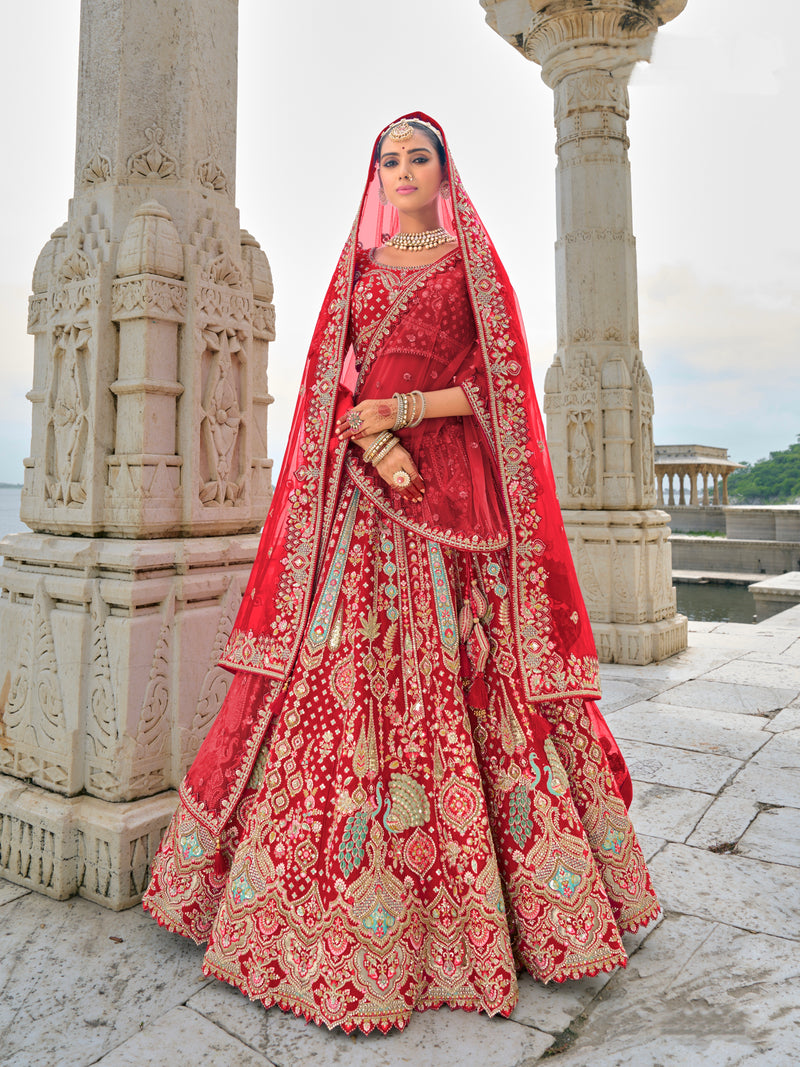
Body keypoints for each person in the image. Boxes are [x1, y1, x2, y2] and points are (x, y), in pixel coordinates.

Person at [143, 112, 659, 1034]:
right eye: (391, 159)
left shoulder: (469, 267)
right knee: (336, 674)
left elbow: (501, 383)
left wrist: (407, 408)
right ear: (377, 175)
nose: (405, 169)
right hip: (361, 497)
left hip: (451, 498)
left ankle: (499, 912)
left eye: (419, 156)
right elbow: (325, 383)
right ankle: (293, 910)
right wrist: (370, 431)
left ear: (443, 171)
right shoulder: (357, 270)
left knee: (467, 674)